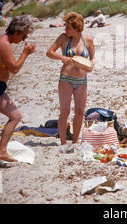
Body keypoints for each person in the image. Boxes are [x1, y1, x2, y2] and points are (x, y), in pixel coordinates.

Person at [46, 12, 95, 151]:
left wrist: (90, 66)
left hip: (82, 80)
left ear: (77, 28)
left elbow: (92, 59)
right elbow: (49, 52)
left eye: (68, 27)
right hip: (65, 79)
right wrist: (61, 58)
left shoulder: (88, 40)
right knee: (65, 112)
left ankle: (75, 141)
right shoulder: (63, 38)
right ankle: (62, 143)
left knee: (80, 112)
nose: (65, 30)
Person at [0, 16, 35, 162]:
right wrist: (25, 53)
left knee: (15, 116)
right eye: (24, 35)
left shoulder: (3, 41)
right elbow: (15, 69)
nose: (24, 39)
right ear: (18, 31)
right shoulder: (4, 44)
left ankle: (1, 151)